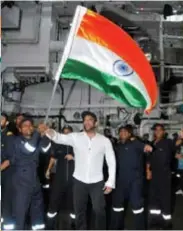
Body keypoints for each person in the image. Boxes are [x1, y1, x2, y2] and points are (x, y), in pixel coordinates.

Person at [43, 111, 116, 230]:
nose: (86, 122)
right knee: (79, 211)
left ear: (96, 123)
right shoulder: (75, 137)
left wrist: (110, 181)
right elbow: (59, 137)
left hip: (97, 182)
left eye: (90, 120)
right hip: (79, 181)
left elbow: (111, 161)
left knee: (99, 210)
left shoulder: (104, 141)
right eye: (85, 120)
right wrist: (48, 131)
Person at [6, 118, 51, 230]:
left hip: (35, 182)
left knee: (38, 216)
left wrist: (45, 134)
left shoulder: (35, 140)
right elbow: (28, 149)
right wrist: (37, 133)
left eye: (30, 125)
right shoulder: (16, 141)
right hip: (22, 183)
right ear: (20, 129)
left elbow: (45, 149)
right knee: (20, 216)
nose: (28, 127)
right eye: (25, 125)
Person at [110, 125, 152, 230]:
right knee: (117, 207)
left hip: (135, 181)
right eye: (121, 132)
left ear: (130, 134)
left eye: (125, 132)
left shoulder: (135, 144)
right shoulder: (117, 146)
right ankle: (117, 228)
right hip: (119, 181)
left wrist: (147, 147)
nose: (122, 133)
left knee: (137, 208)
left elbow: (145, 148)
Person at [46, 125, 75, 229]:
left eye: (69, 132)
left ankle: (74, 225)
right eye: (65, 132)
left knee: (73, 204)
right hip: (59, 178)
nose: (67, 134)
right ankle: (50, 225)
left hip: (73, 179)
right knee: (53, 201)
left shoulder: (76, 145)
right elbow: (53, 158)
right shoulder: (58, 144)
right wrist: (48, 170)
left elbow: (86, 158)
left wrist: (74, 157)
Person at [147, 123, 175, 229]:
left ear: (164, 132)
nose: (158, 131)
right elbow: (149, 159)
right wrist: (148, 171)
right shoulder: (152, 143)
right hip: (154, 176)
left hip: (164, 175)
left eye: (160, 130)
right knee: (154, 198)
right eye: (156, 130)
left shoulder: (168, 142)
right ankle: (155, 220)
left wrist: (181, 137)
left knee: (165, 198)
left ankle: (167, 222)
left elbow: (176, 144)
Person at [1, 113, 14, 228]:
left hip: (5, 174)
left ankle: (6, 225)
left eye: (2, 119)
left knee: (5, 200)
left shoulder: (9, 136)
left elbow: (10, 158)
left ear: (7, 123)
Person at [174, 130, 183, 195]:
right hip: (179, 165)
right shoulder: (178, 145)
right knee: (179, 177)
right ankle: (181, 189)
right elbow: (174, 152)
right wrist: (176, 155)